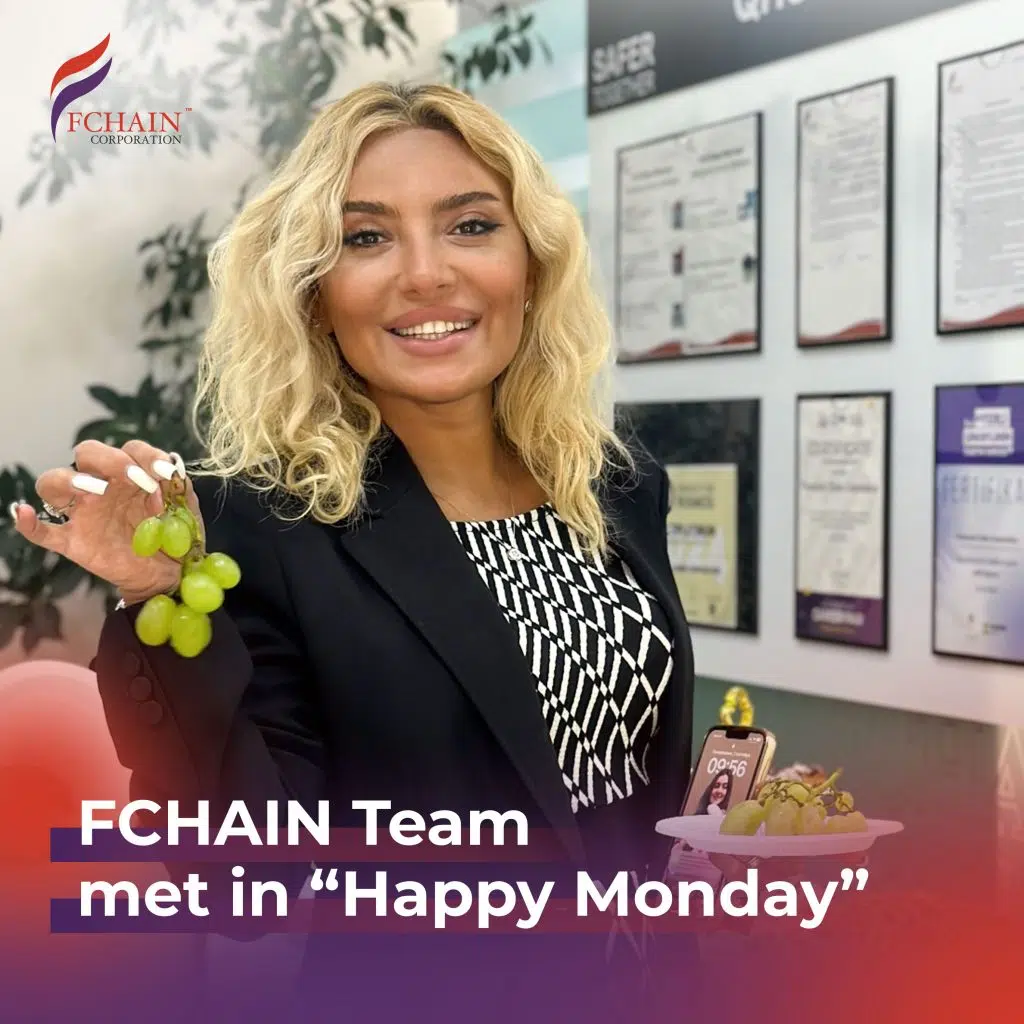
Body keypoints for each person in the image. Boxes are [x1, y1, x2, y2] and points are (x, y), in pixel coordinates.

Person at [10, 82, 695, 1021]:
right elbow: (244, 882)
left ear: (531, 266)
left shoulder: (615, 485)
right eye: (366, 238)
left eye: (470, 225)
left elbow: (614, 779)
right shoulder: (266, 527)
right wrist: (158, 595)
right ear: (315, 295)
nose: (426, 274)